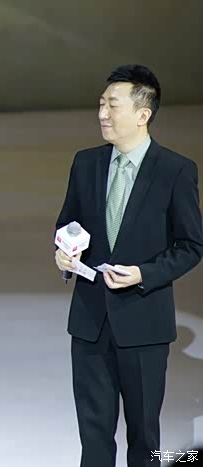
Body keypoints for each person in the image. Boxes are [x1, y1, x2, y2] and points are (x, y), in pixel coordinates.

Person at [55, 64, 203, 467]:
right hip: (89, 323)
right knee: (94, 439)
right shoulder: (85, 163)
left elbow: (192, 245)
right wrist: (64, 254)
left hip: (144, 325)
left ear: (143, 113)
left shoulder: (175, 170)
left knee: (145, 440)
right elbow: (67, 225)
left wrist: (143, 274)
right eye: (101, 104)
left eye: (113, 105)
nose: (102, 113)